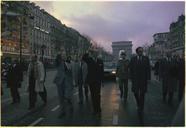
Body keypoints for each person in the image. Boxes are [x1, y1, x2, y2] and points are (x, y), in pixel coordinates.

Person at [129, 47, 151, 124]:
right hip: (135, 79)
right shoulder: (133, 59)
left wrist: (148, 78)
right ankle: (138, 103)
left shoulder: (146, 58)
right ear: (137, 52)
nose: (141, 52)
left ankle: (141, 106)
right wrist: (130, 77)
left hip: (143, 79)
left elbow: (148, 68)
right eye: (139, 51)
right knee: (135, 92)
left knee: (142, 93)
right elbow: (130, 69)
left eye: (142, 51)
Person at [84, 51, 101, 116]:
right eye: (93, 54)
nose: (94, 55)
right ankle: (95, 110)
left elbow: (101, 71)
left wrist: (102, 81)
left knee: (97, 96)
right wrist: (87, 52)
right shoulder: (89, 60)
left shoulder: (100, 61)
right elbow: (83, 58)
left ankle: (98, 110)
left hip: (98, 81)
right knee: (93, 96)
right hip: (91, 81)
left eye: (95, 54)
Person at [53, 52, 66, 117]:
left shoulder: (63, 63)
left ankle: (63, 110)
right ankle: (62, 110)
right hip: (60, 81)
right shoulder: (60, 63)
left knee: (63, 97)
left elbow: (64, 72)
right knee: (61, 97)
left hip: (62, 81)